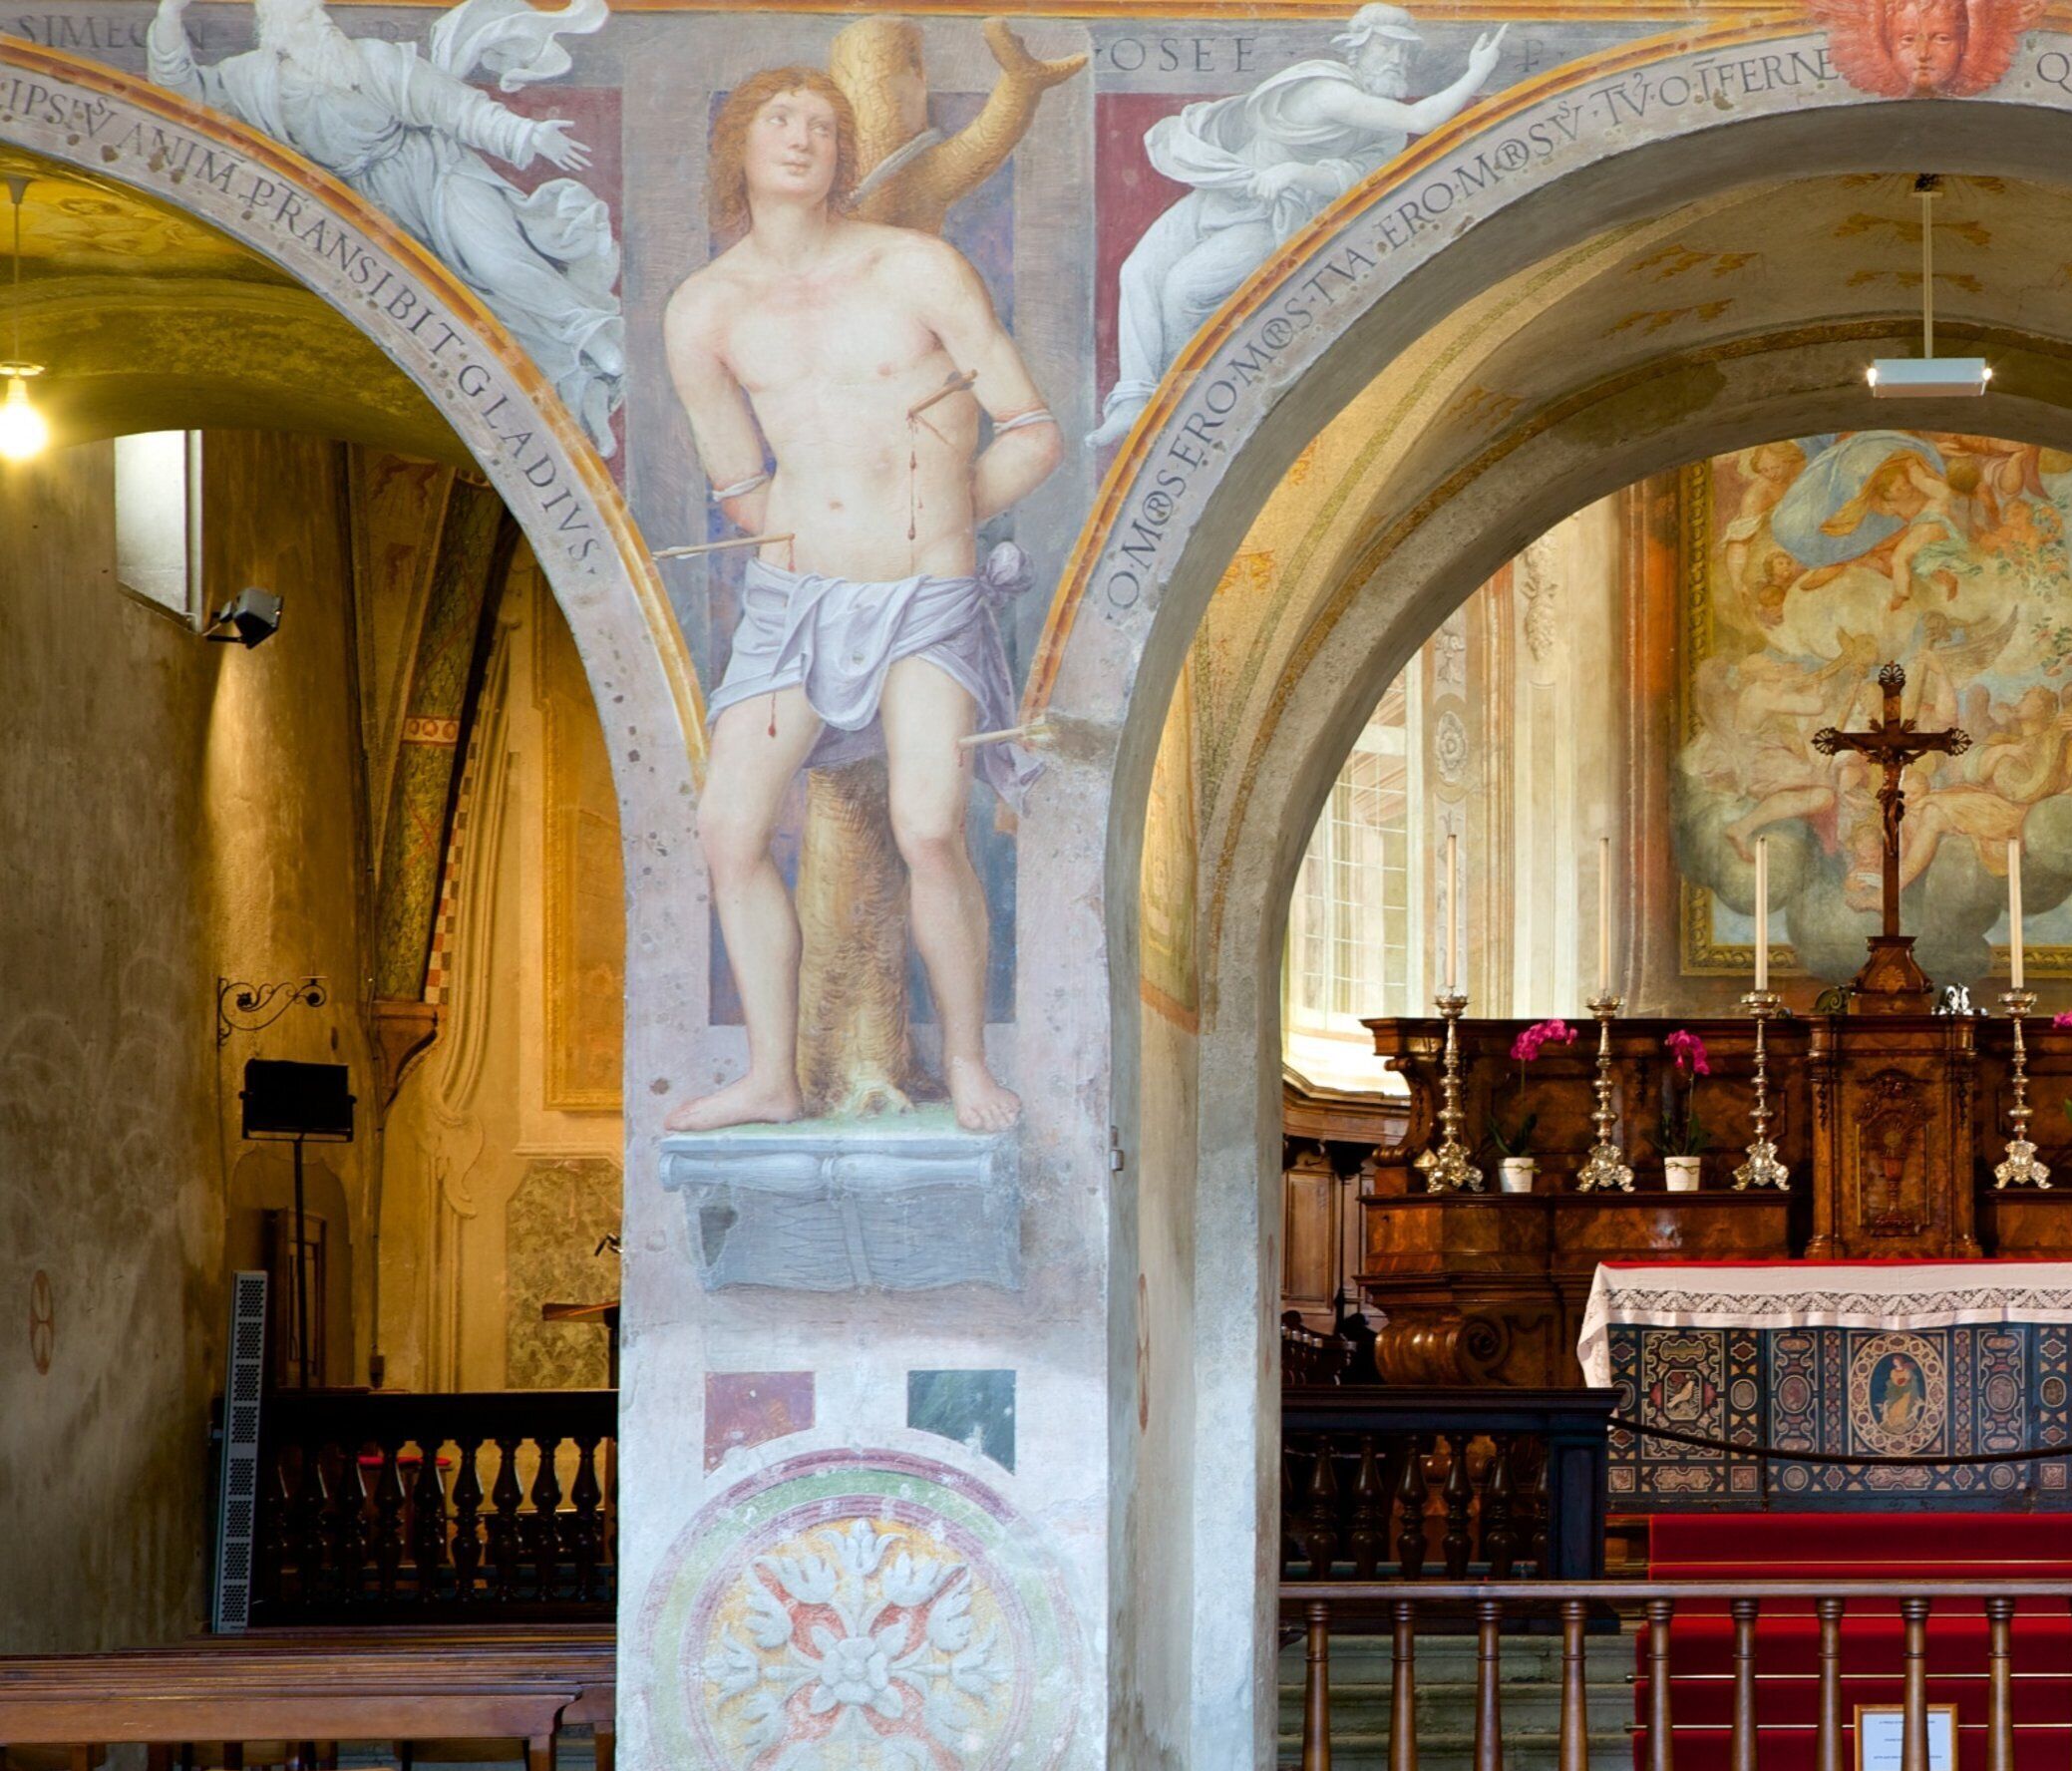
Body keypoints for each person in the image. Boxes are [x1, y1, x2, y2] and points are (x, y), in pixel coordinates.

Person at [660, 67, 1063, 1134]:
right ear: (738, 144)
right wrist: (824, 542)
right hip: (796, 602)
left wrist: (934, 523)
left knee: (928, 826)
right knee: (728, 829)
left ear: (844, 155)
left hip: (926, 593)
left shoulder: (914, 268)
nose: (803, 139)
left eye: (824, 126)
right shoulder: (704, 310)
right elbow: (739, 486)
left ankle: (967, 1063)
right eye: (779, 119)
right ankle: (770, 1077)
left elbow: (1032, 432)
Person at [151, 0, 626, 449]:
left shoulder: (370, 61)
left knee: (497, 264)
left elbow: (455, 107)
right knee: (451, 310)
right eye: (305, 18)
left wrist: (526, 133)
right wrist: (169, 16)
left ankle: (592, 334)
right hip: (374, 211)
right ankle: (551, 373)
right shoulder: (253, 81)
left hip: (435, 176)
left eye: (318, 15)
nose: (321, 24)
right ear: (276, 30)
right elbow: (182, 94)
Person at [1089, 5, 1507, 445]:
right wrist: (1478, 72)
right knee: (1137, 271)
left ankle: (1177, 405)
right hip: (1222, 195)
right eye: (1386, 47)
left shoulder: (1385, 134)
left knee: (1185, 290)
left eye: (1404, 51)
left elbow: (1348, 180)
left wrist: (1296, 173)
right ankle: (1133, 401)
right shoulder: (1326, 91)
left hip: (1270, 217)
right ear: (1357, 50)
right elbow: (1420, 118)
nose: (1396, 59)